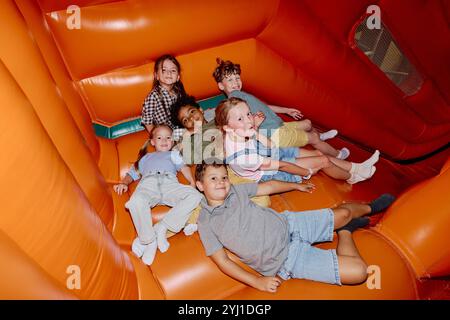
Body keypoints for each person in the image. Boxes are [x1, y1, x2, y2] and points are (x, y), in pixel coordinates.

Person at [195, 162, 396, 292]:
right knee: (359, 272)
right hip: (287, 259)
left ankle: (370, 208)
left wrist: (294, 185)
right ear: (200, 185)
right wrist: (256, 282)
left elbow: (270, 187)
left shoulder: (236, 191)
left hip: (291, 224)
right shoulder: (206, 222)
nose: (221, 182)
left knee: (343, 213)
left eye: (224, 177)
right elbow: (222, 261)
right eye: (214, 178)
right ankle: (346, 232)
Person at [216, 97, 379, 184]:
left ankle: (357, 167)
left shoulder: (239, 130)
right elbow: (282, 165)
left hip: (267, 152)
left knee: (316, 152)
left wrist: (255, 130)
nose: (248, 120)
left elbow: (271, 147)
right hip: (270, 171)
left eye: (248, 114)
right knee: (322, 161)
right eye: (240, 118)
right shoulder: (243, 156)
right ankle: (353, 177)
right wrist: (305, 173)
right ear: (228, 128)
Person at [212, 58, 350, 159]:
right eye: (230, 80)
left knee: (307, 124)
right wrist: (255, 124)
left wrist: (286, 110)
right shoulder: (235, 98)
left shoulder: (241, 95)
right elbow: (244, 127)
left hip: (278, 125)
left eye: (237, 78)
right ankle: (338, 155)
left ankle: (321, 138)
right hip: (274, 133)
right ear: (221, 86)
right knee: (313, 137)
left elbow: (264, 107)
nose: (236, 82)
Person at [113, 125, 202, 265]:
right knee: (135, 201)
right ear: (153, 142)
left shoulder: (174, 155)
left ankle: (163, 226)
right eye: (159, 138)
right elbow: (132, 174)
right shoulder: (146, 158)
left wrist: (191, 181)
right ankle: (149, 240)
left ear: (172, 141)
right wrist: (124, 183)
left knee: (196, 196)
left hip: (169, 183)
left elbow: (184, 168)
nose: (164, 140)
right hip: (148, 184)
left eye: (168, 137)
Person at [171, 95, 271, 208]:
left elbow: (238, 128)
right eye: (185, 120)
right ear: (184, 126)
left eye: (192, 112)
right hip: (223, 169)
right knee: (262, 200)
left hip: (242, 156)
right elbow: (189, 159)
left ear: (200, 109)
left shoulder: (217, 121)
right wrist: (187, 135)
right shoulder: (191, 139)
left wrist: (253, 125)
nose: (191, 118)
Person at [141, 54, 186, 141]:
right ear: (156, 76)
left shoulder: (178, 91)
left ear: (178, 77)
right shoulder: (153, 96)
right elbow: (147, 122)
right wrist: (156, 137)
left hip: (179, 128)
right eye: (164, 70)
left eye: (173, 70)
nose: (169, 73)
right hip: (165, 134)